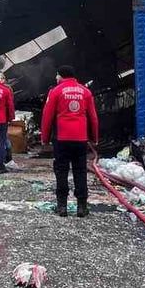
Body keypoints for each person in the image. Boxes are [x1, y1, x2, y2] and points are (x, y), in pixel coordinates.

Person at [41, 66, 99, 218]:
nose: (55, 78)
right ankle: (82, 207)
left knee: (61, 171)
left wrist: (45, 138)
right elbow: (93, 117)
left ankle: (62, 207)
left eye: (57, 75)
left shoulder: (56, 92)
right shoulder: (85, 92)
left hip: (61, 138)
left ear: (61, 76)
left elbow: (47, 116)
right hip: (80, 139)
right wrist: (94, 137)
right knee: (80, 171)